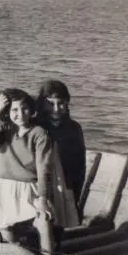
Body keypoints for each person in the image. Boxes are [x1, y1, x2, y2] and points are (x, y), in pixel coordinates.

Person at [0, 89, 53, 252]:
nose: (20, 113)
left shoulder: (38, 133)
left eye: (24, 108)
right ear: (7, 112)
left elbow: (43, 168)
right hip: (4, 188)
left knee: (41, 224)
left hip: (29, 188)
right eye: (14, 110)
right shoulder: (4, 130)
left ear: (31, 110)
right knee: (7, 230)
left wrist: (42, 198)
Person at [37, 79, 85, 226]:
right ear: (42, 103)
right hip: (39, 186)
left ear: (67, 102)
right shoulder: (36, 127)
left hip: (64, 185)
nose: (56, 109)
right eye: (51, 104)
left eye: (61, 103)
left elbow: (79, 166)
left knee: (59, 225)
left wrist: (75, 195)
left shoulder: (74, 128)